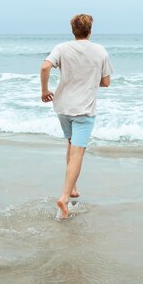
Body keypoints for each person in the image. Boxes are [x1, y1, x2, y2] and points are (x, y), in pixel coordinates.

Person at [40, 14, 113, 220]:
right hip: (84, 109)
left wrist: (44, 90)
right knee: (78, 152)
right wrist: (89, 80)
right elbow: (106, 82)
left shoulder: (62, 48)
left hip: (63, 106)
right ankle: (64, 197)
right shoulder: (100, 51)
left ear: (73, 30)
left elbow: (45, 66)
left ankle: (72, 188)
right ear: (90, 30)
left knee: (71, 145)